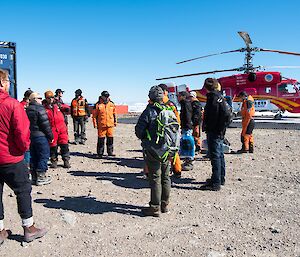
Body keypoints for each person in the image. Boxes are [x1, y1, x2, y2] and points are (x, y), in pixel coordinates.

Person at [0, 69, 47, 244]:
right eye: (7, 81)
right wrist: (23, 150)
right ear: (1, 83)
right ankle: (29, 228)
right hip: (11, 158)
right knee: (23, 190)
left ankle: (0, 231)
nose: (8, 84)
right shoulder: (12, 105)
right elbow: (21, 132)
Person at [135, 86, 171, 217]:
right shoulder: (169, 109)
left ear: (150, 97)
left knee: (155, 177)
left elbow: (139, 131)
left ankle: (154, 208)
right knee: (166, 176)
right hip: (168, 148)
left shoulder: (149, 111)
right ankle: (164, 205)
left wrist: (146, 138)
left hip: (153, 149)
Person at [200, 78, 231, 191]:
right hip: (220, 131)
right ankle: (220, 178)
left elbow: (212, 117)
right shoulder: (220, 97)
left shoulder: (212, 98)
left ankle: (215, 183)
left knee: (215, 156)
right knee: (220, 154)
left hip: (214, 132)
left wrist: (210, 128)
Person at [26, 92, 53, 186]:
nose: (41, 100)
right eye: (39, 98)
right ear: (34, 99)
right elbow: (45, 124)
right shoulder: (39, 109)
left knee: (34, 155)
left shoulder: (27, 109)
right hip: (40, 136)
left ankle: (34, 177)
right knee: (43, 155)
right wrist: (51, 136)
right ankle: (41, 177)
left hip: (31, 136)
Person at [157, 84, 182, 178]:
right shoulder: (171, 104)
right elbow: (177, 119)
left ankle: (151, 173)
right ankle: (177, 171)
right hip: (172, 132)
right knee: (173, 151)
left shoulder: (155, 103)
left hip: (160, 132)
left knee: (156, 152)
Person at [43, 90, 71, 168]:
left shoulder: (57, 105)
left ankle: (66, 160)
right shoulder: (44, 108)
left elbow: (68, 109)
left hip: (62, 128)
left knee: (64, 144)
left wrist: (61, 105)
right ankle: (54, 160)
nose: (51, 99)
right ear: (46, 98)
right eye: (49, 98)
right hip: (52, 129)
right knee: (53, 146)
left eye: (52, 97)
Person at [92, 91, 117, 157]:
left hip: (110, 125)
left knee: (110, 139)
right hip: (101, 125)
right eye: (105, 96)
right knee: (101, 140)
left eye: (107, 96)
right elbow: (94, 116)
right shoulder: (98, 105)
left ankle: (110, 152)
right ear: (102, 96)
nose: (107, 97)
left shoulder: (112, 104)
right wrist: (95, 124)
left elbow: (114, 114)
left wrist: (115, 122)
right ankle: (100, 153)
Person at [178, 91, 194, 171]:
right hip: (186, 126)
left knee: (188, 143)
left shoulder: (186, 104)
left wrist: (187, 126)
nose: (178, 98)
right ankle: (187, 160)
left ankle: (189, 161)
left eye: (179, 96)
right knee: (185, 143)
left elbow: (187, 116)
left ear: (183, 96)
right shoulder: (185, 104)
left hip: (187, 126)